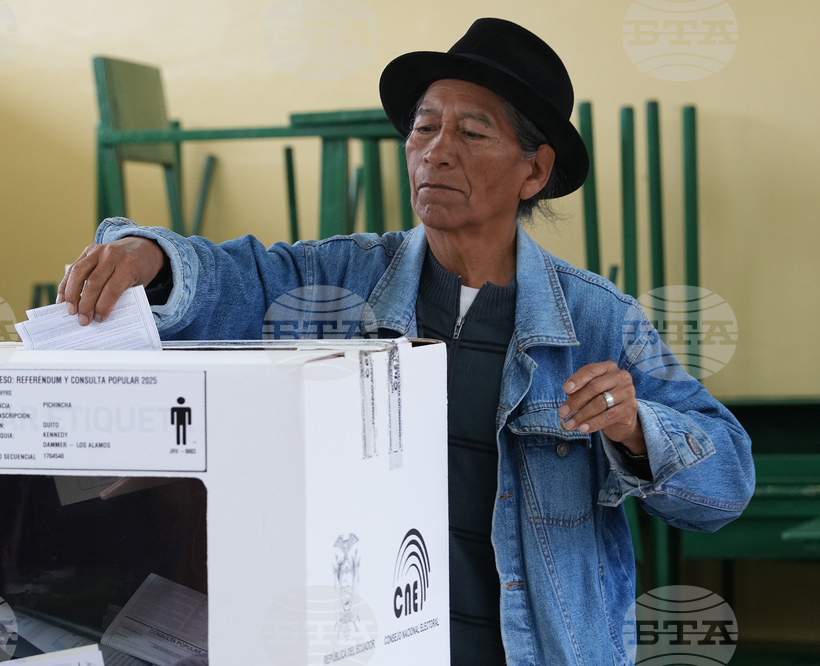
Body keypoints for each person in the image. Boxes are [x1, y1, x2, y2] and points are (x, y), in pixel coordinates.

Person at [58, 18, 754, 666]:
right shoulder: (341, 279)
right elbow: (235, 278)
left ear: (534, 172)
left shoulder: (596, 321)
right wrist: (150, 254)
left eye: (472, 134)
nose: (436, 153)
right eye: (424, 130)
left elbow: (726, 487)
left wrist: (637, 428)